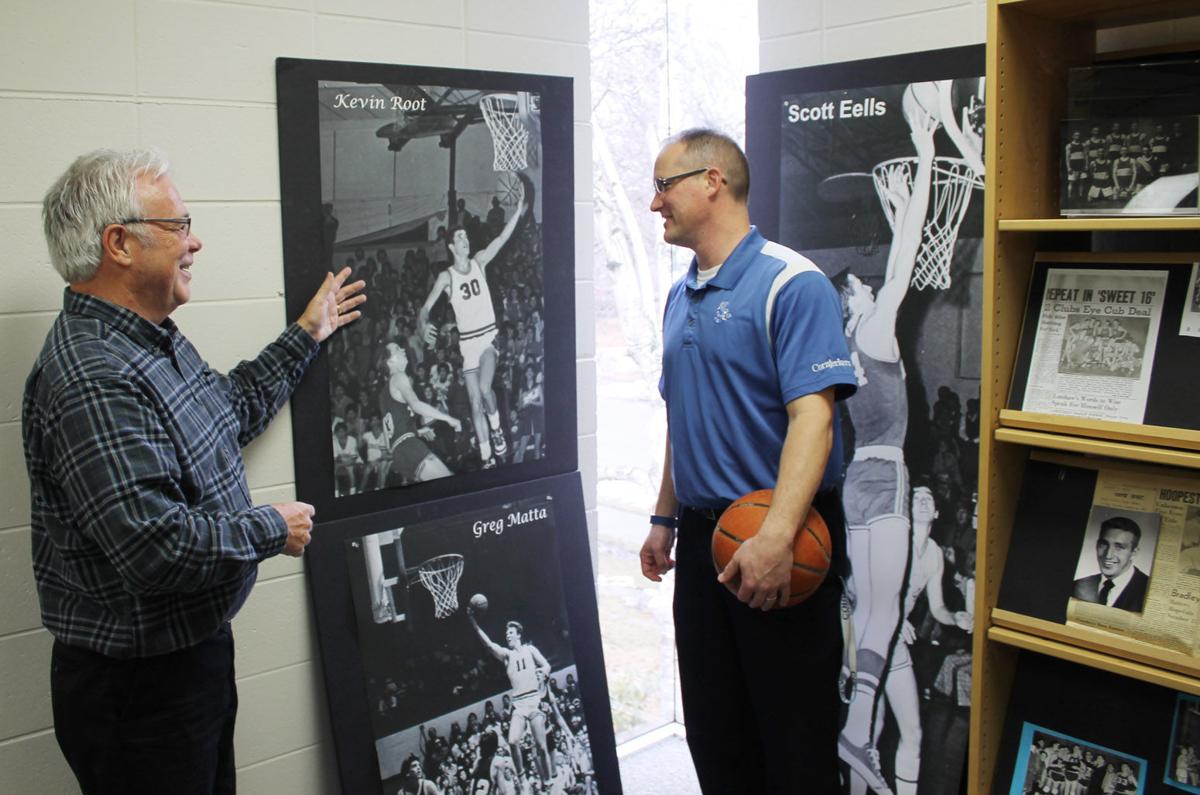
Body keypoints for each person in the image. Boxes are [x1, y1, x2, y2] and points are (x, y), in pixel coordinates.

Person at [23, 147, 365, 792]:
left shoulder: (149, 338)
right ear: (119, 243)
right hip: (138, 693)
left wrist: (306, 333)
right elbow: (153, 547)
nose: (195, 242)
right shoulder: (94, 376)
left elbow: (227, 409)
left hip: (186, 665)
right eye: (178, 226)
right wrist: (270, 528)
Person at [639, 128, 858, 793]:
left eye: (663, 185)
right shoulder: (680, 295)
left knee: (793, 741)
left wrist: (776, 536)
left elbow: (814, 419)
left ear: (714, 181)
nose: (655, 204)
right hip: (707, 540)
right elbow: (684, 415)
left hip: (779, 532)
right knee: (715, 733)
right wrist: (664, 517)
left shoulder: (793, 283)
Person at [836, 86, 938, 794]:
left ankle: (858, 730)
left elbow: (900, 258)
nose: (870, 285)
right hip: (889, 475)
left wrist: (898, 205)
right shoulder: (875, 331)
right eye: (860, 286)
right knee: (882, 609)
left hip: (853, 484)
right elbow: (902, 264)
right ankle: (857, 728)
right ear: (859, 302)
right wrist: (927, 154)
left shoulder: (845, 347)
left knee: (870, 609)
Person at [846, 486, 973, 795]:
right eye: (915, 497)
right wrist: (894, 618)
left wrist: (955, 617)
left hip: (895, 643)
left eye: (928, 497)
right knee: (867, 733)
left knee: (913, 734)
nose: (922, 500)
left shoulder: (933, 554)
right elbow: (857, 588)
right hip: (868, 635)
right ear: (906, 508)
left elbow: (937, 606)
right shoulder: (893, 541)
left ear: (936, 513)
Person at [418, 193, 528, 469]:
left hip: (487, 339)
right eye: (461, 239)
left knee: (483, 387)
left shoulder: (479, 262)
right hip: (467, 345)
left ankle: (497, 428)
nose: (466, 241)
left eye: (467, 237)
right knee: (474, 401)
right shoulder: (447, 277)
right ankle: (486, 457)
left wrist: (518, 211)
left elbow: (501, 239)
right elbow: (425, 307)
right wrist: (423, 324)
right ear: (452, 247)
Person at [467, 609, 553, 786]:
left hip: (534, 701)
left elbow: (547, 665)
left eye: (511, 632)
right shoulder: (507, 655)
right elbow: (489, 645)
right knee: (513, 741)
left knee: (542, 747)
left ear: (519, 634)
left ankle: (548, 781)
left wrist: (543, 671)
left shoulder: (530, 649)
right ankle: (522, 777)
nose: (507, 635)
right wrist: (474, 624)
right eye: (506, 633)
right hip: (519, 705)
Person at [379, 342, 461, 485]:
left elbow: (388, 439)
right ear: (390, 361)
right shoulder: (398, 376)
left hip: (399, 454)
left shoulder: (383, 393)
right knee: (450, 486)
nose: (403, 349)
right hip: (409, 447)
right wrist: (448, 418)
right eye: (398, 349)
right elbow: (415, 405)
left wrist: (418, 432)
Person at [1073, 516, 1150, 612]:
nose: (1108, 555)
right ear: (1097, 545)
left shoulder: (1149, 591)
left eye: (1119, 547)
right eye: (1104, 544)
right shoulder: (1077, 585)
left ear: (1133, 553)